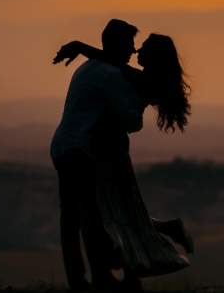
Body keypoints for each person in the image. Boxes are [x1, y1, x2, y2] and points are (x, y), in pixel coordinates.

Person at [54, 33, 194, 289]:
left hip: (111, 148)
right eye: (135, 45)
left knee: (117, 209)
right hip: (107, 145)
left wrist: (79, 46)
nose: (137, 49)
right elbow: (114, 62)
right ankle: (135, 268)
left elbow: (116, 64)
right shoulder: (146, 77)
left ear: (154, 55)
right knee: (119, 209)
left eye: (143, 47)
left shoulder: (150, 79)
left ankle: (129, 271)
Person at [50, 19, 144, 292]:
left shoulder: (87, 67)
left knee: (70, 217)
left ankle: (77, 280)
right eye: (130, 44)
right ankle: (101, 277)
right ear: (116, 44)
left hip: (61, 146)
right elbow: (128, 119)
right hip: (80, 149)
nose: (134, 51)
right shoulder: (110, 74)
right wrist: (140, 103)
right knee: (89, 214)